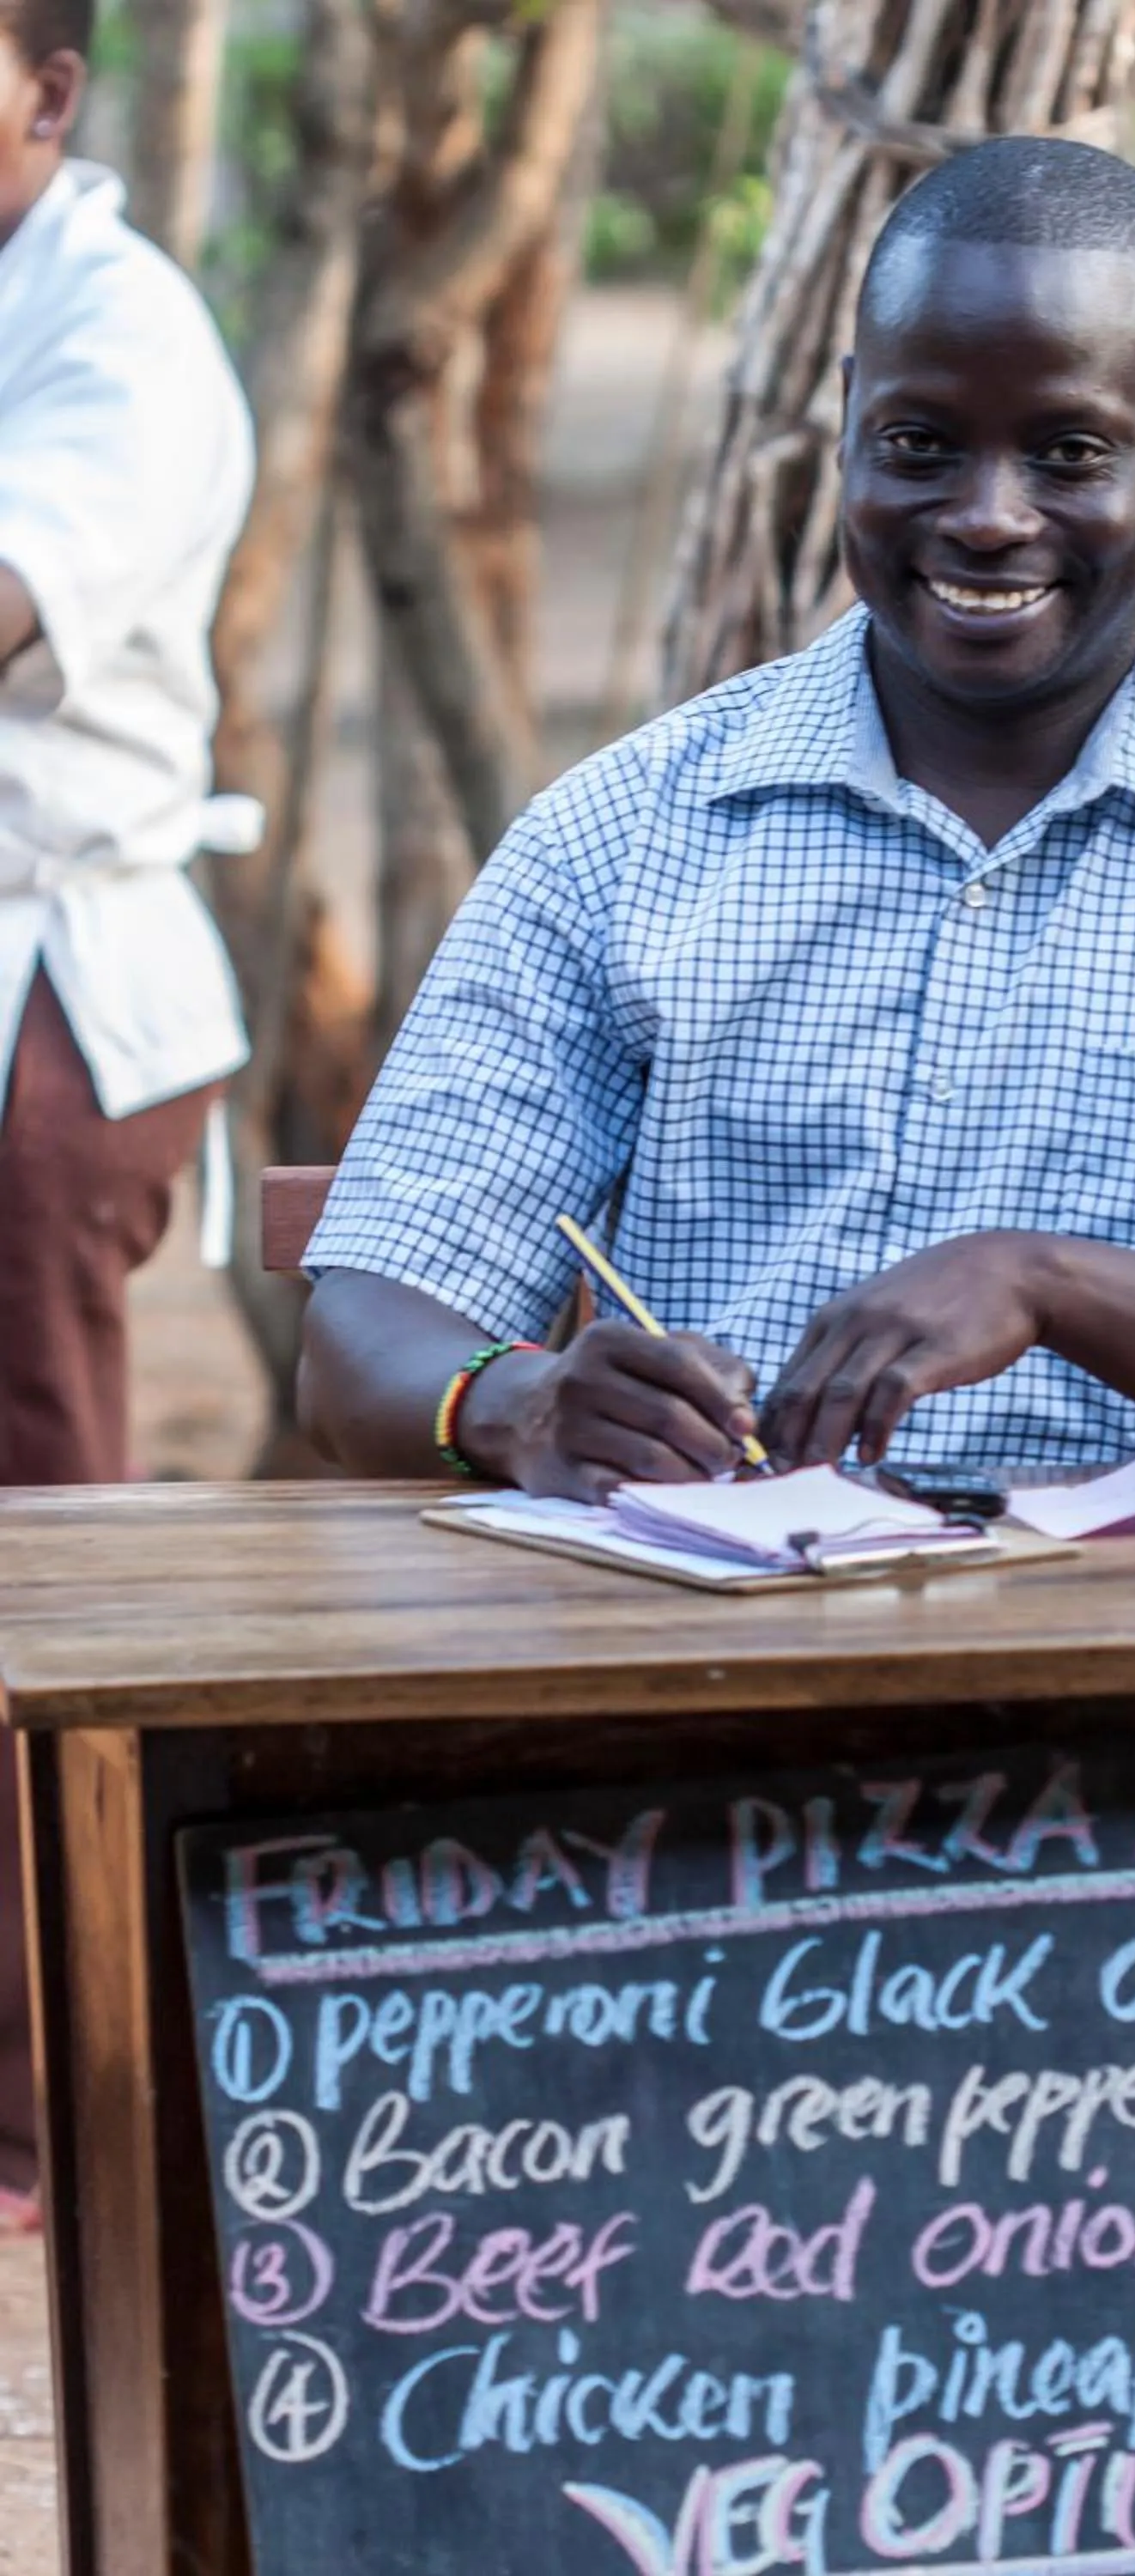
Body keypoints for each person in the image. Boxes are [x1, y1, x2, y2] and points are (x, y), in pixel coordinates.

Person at [300, 137, 1135, 1505]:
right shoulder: (624, 834)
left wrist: (1050, 1284)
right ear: (846, 420)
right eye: (920, 444)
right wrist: (520, 1402)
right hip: (719, 1651)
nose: (987, 517)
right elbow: (362, 1336)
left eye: (1069, 451)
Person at [0, 0, 254, 2208]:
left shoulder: (121, 331)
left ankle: (60, 2108)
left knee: (43, 1550)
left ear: (49, 91)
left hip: (47, 1009)